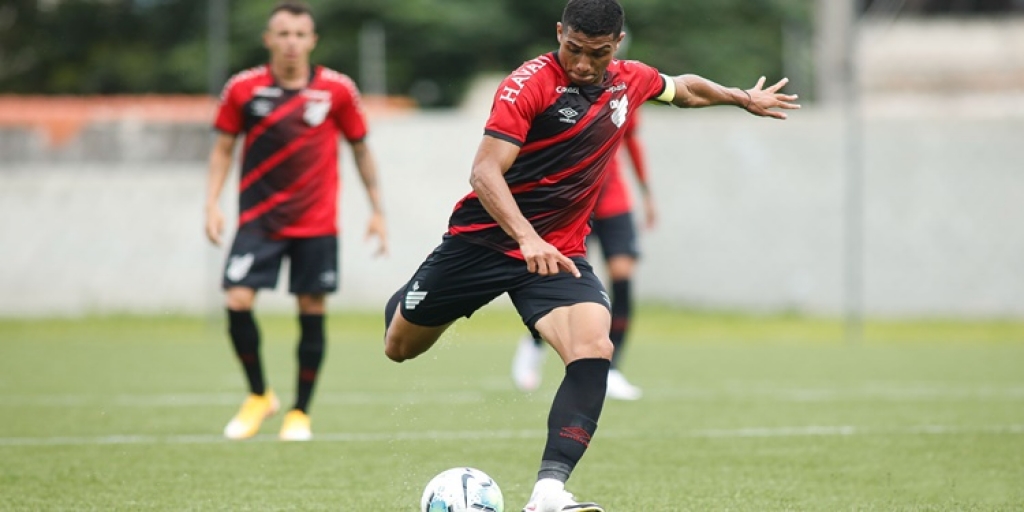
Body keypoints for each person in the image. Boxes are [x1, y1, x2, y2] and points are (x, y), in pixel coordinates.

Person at [383, 0, 798, 509]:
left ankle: (548, 492)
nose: (582, 64)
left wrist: (739, 97)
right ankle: (413, 293)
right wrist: (525, 237)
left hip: (558, 252)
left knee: (592, 348)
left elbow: (684, 87)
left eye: (596, 54)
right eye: (572, 49)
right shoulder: (527, 84)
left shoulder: (630, 80)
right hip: (482, 242)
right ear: (559, 33)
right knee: (400, 346)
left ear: (616, 45)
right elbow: (485, 172)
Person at [205, 0, 387, 442]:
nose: (291, 42)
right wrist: (212, 203)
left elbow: (361, 149)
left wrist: (378, 210)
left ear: (312, 41)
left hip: (316, 223)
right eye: (282, 34)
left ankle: (300, 412)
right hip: (258, 221)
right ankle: (258, 396)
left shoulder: (336, 90)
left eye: (299, 34)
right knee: (237, 301)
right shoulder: (243, 89)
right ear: (268, 39)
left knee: (311, 310)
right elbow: (224, 148)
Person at [511, 108, 653, 401]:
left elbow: (632, 141)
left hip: (614, 200)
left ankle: (612, 368)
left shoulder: (626, 90)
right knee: (560, 277)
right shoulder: (566, 95)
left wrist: (646, 193)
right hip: (573, 200)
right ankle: (535, 343)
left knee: (623, 275)